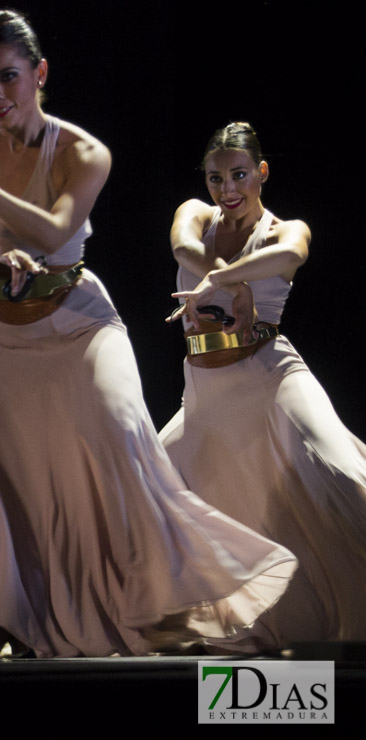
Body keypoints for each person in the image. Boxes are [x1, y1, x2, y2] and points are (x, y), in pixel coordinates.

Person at [0, 11, 296, 658]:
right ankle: (1, 619)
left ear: (40, 74)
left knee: (121, 439)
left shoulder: (83, 152)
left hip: (76, 323)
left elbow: (55, 232)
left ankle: (175, 607)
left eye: (8, 78)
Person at [160, 122, 366, 650]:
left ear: (261, 173)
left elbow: (291, 257)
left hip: (271, 378)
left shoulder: (283, 228)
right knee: (148, 492)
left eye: (239, 176)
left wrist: (226, 282)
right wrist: (226, 276)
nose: (227, 190)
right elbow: (183, 247)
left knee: (338, 473)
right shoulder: (197, 214)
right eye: (216, 178)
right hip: (206, 393)